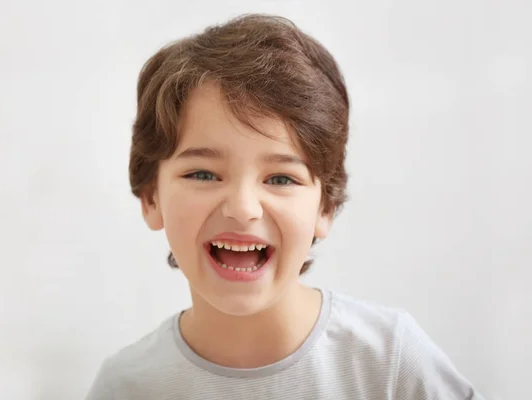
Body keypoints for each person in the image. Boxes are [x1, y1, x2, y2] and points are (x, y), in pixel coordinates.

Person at [86, 13, 485, 400]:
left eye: (280, 179)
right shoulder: (125, 387)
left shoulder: (390, 362)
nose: (243, 209)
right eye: (203, 175)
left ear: (324, 207)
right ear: (150, 197)